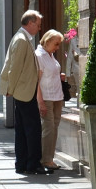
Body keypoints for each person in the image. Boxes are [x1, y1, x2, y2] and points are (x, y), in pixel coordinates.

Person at [0, 10, 51, 175]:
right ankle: (33, 164)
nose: (40, 28)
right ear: (30, 23)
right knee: (32, 129)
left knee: (22, 130)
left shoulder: (21, 38)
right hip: (24, 92)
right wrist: (10, 89)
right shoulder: (22, 40)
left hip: (22, 91)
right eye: (38, 25)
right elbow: (15, 67)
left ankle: (22, 164)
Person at [35, 29, 66, 169]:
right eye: (56, 44)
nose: (57, 47)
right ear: (47, 42)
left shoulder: (50, 54)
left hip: (57, 95)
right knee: (49, 128)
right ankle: (46, 159)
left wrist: (59, 77)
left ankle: (50, 158)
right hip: (47, 96)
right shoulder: (39, 55)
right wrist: (40, 101)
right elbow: (37, 81)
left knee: (54, 127)